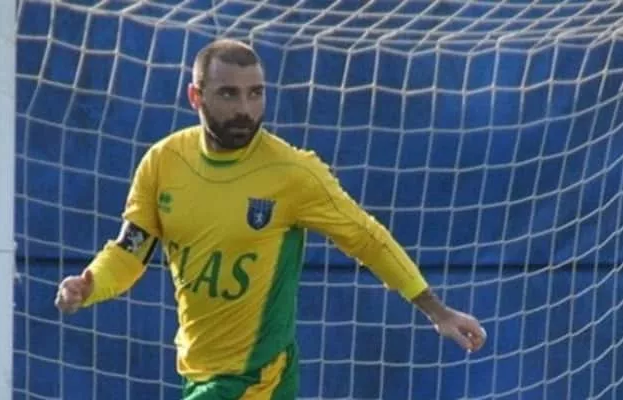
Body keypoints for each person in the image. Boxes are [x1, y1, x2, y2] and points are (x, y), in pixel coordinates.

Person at [54, 38, 487, 399]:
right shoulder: (163, 163)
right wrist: (90, 285)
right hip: (197, 372)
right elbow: (130, 252)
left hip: (259, 377)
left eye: (256, 93)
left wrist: (437, 311)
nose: (245, 108)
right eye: (229, 94)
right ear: (196, 96)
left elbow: (367, 239)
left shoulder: (293, 174)